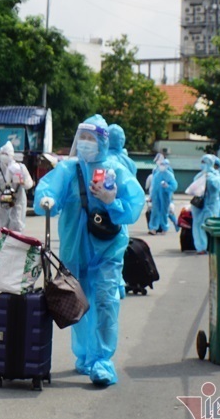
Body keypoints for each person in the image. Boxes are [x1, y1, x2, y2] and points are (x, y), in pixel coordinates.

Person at [32, 116, 144, 386]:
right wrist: (46, 201)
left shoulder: (115, 169)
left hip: (108, 251)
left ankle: (103, 360)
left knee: (106, 303)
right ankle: (84, 355)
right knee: (78, 304)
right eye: (81, 137)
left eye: (91, 139)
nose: (85, 143)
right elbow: (47, 192)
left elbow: (134, 206)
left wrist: (111, 201)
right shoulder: (68, 169)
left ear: (103, 142)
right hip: (74, 250)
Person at [0, 141, 34, 240]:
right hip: (0, 200)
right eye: (2, 153)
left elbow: (29, 184)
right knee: (0, 227)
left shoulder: (20, 168)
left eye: (6, 154)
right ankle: (1, 252)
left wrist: (22, 182)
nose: (4, 156)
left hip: (17, 200)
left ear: (11, 155)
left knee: (17, 225)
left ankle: (14, 252)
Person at [189, 154, 220, 254]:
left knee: (209, 226)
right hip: (199, 206)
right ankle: (201, 247)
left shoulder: (216, 176)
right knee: (198, 226)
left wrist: (210, 179)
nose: (203, 164)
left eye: (205, 162)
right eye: (202, 162)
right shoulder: (199, 175)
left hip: (211, 206)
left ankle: (211, 247)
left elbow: (219, 186)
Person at [147, 158, 177, 234]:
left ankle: (164, 228)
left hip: (165, 197)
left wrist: (167, 186)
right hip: (156, 196)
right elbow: (153, 187)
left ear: (167, 166)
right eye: (161, 164)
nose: (161, 166)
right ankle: (153, 228)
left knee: (164, 212)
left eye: (163, 164)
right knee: (155, 212)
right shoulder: (156, 175)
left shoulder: (169, 175)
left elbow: (174, 186)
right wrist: (150, 197)